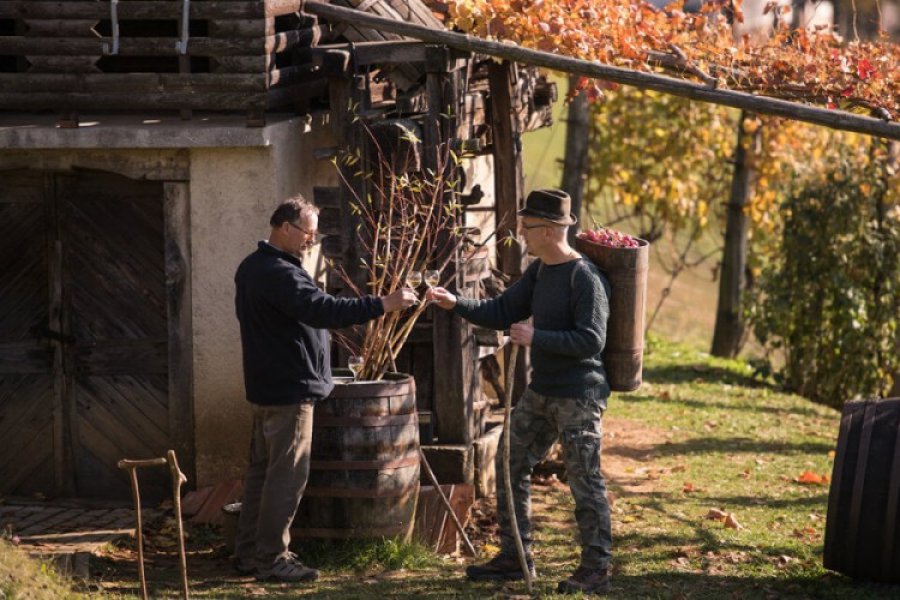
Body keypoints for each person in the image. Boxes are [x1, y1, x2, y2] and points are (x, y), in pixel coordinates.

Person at [426, 189, 614, 595]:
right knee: (510, 464)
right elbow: (501, 310)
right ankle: (516, 555)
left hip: (579, 395)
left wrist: (537, 337)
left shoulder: (585, 278)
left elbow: (591, 340)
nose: (521, 234)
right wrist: (454, 302)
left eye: (527, 227)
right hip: (542, 392)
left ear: (548, 230)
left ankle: (597, 567)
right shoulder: (540, 271)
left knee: (584, 479)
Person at [233, 196, 417, 583]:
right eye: (307, 233)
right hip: (289, 391)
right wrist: (385, 303)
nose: (311, 241)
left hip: (267, 387)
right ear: (284, 227)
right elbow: (325, 310)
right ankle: (271, 558)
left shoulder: (253, 267)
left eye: (314, 235)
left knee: (262, 475)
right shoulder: (280, 274)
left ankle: (250, 553)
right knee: (287, 477)